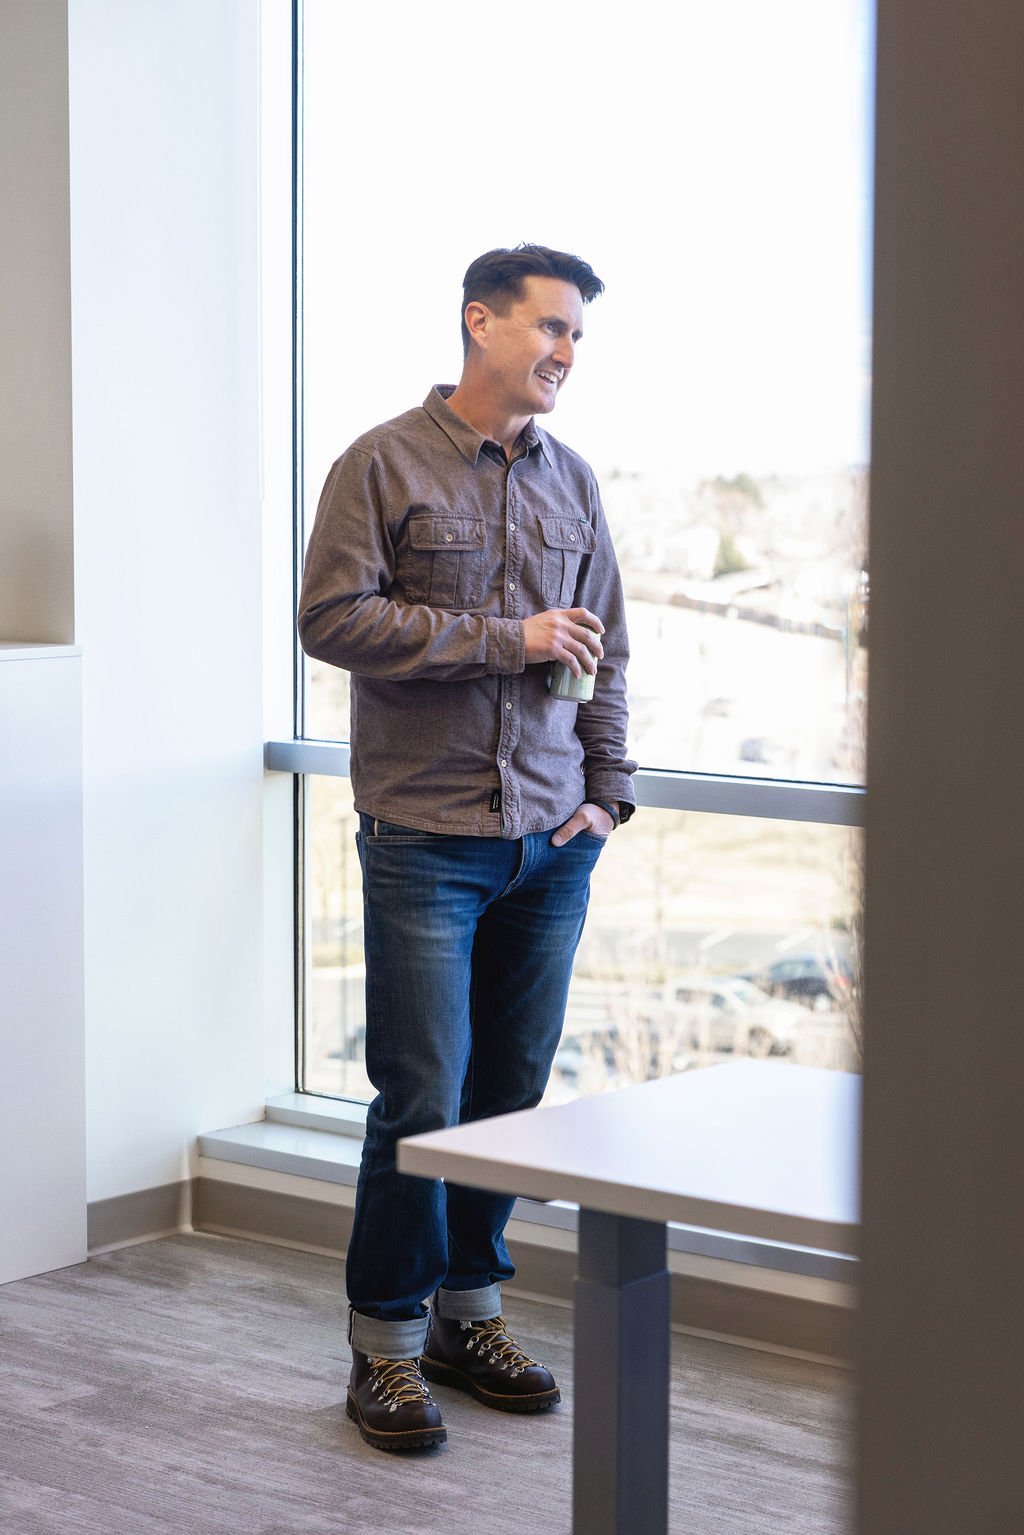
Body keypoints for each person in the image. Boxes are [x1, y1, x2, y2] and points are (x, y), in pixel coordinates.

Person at [298, 243, 636, 1452]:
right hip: (425, 838)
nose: (564, 353)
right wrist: (506, 635)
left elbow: (607, 653)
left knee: (506, 1101)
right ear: (478, 323)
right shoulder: (379, 462)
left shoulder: (575, 481)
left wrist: (605, 800)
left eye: (577, 337)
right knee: (421, 1098)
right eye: (550, 327)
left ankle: (468, 1316)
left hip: (551, 840)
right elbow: (330, 617)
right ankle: (383, 1344)